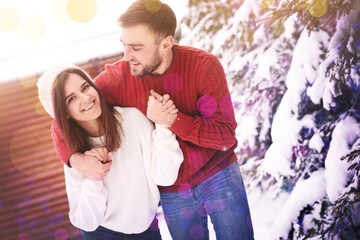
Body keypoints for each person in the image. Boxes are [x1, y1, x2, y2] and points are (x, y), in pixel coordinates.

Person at [50, 0, 254, 239]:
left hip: (218, 175)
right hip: (174, 191)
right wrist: (76, 160)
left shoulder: (203, 66)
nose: (126, 56)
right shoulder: (121, 77)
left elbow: (225, 136)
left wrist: (173, 120)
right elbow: (61, 122)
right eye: (124, 45)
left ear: (166, 43)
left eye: (136, 48)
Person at [37, 64, 183, 240]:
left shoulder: (133, 120)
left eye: (85, 87)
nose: (85, 97)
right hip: (101, 233)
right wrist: (94, 180)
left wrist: (163, 126)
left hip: (145, 230)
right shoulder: (75, 154)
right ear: (64, 113)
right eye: (71, 99)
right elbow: (85, 221)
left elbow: (165, 176)